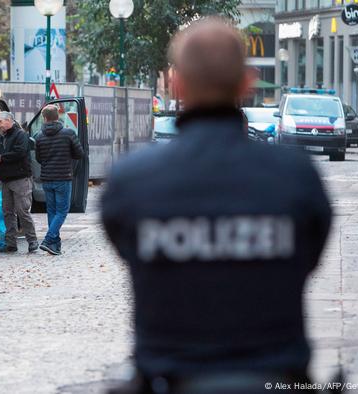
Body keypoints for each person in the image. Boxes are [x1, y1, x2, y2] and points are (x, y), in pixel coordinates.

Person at [101, 18, 332, 393]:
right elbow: (310, 256)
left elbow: (125, 248)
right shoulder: (296, 176)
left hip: (168, 375)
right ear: (247, 81)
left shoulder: (132, 180)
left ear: (175, 84)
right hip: (275, 374)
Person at [0, 112, 38, 253]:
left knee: (22, 211)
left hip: (20, 179)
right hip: (7, 180)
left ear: (9, 121)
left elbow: (19, 152)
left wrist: (2, 158)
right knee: (7, 212)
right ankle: (11, 243)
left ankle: (32, 241)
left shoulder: (21, 135)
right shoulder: (3, 136)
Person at [35, 104, 85, 255]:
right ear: (58, 117)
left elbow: (38, 158)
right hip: (63, 177)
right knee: (62, 211)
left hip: (47, 178)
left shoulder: (39, 136)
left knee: (51, 210)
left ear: (44, 118)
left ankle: (55, 245)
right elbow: (79, 154)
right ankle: (49, 239)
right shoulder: (68, 133)